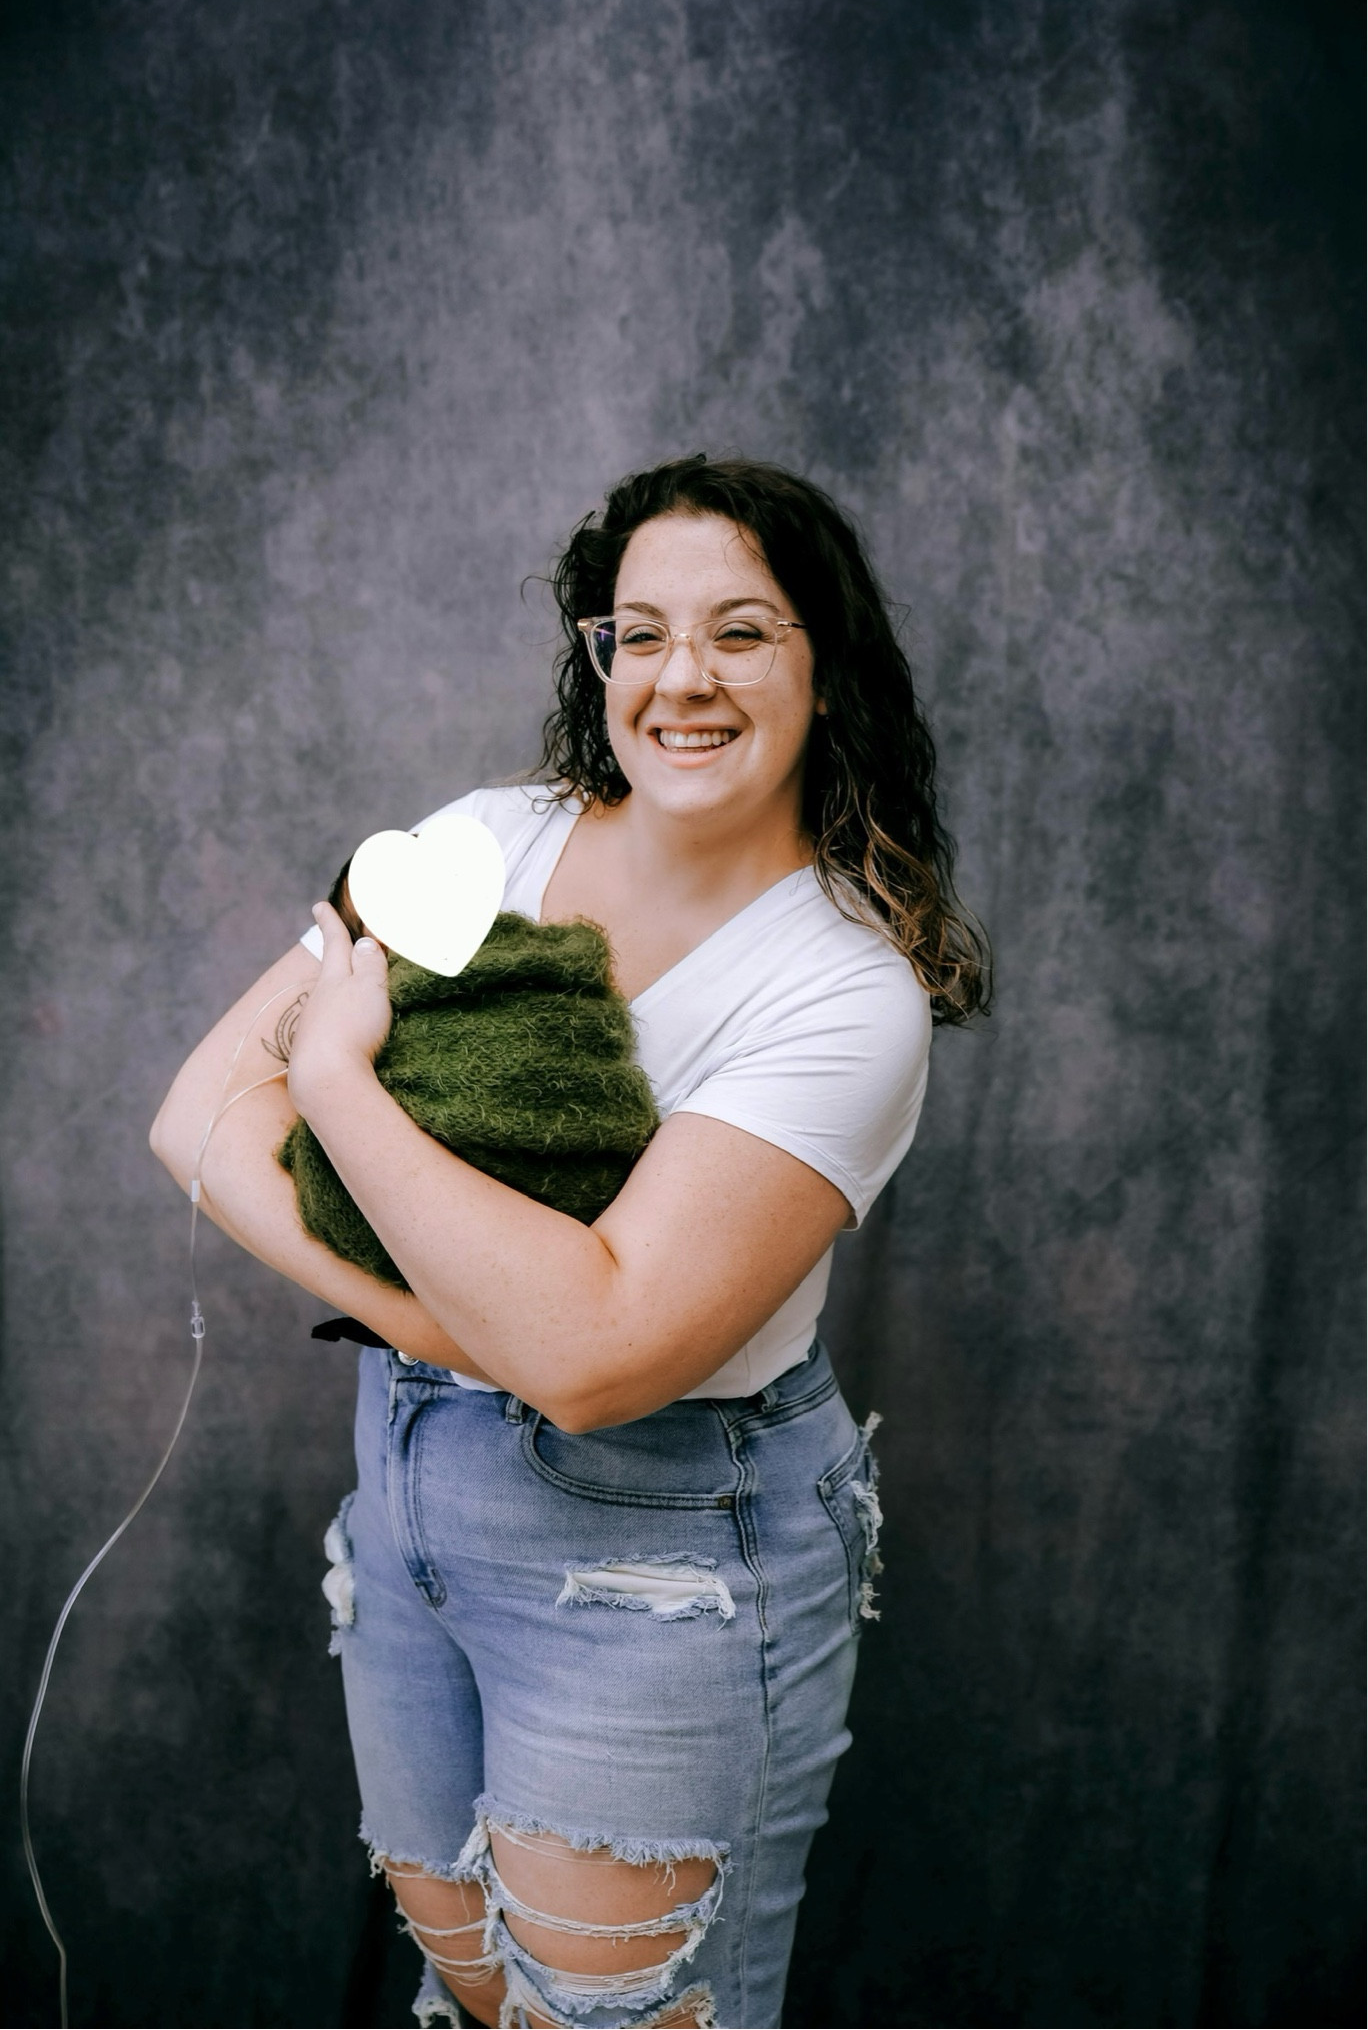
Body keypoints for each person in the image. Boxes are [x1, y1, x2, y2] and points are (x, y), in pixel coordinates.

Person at [150, 455, 989, 2030]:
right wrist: (464, 1324)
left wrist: (334, 1078)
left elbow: (599, 1362)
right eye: (641, 632)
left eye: (742, 633)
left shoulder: (840, 988)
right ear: (598, 655)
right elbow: (198, 1115)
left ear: (825, 667)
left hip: (654, 1546)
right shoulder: (487, 845)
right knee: (481, 2000)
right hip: (407, 1502)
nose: (683, 678)